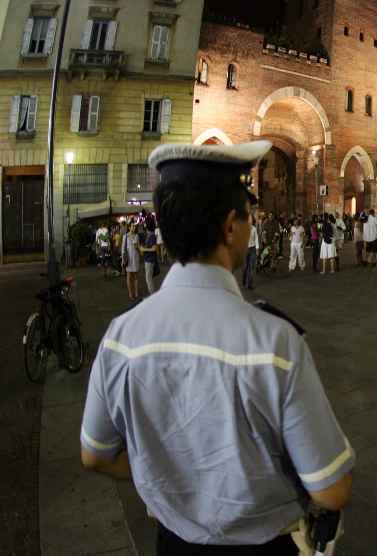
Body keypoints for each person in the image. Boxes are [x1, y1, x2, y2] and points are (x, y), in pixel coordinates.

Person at [80, 140, 353, 555]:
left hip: (170, 543)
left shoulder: (121, 335)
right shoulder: (274, 342)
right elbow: (332, 489)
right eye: (248, 214)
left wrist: (166, 479)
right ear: (230, 227)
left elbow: (95, 455)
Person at [123, 220, 141, 301]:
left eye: (134, 226)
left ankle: (136, 293)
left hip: (136, 257)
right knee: (129, 276)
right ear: (129, 227)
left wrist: (137, 246)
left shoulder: (137, 236)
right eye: (132, 226)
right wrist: (123, 260)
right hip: (129, 258)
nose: (134, 227)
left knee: (136, 276)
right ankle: (130, 294)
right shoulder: (125, 236)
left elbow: (138, 247)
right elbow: (123, 249)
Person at [141, 217, 159, 295]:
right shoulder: (150, 234)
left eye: (145, 222)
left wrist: (144, 249)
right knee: (149, 278)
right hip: (148, 259)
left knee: (149, 279)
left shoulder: (151, 235)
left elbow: (154, 249)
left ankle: (153, 296)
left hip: (149, 260)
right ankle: (153, 295)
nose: (144, 224)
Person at [242, 211, 259, 289]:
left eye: (251, 219)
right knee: (245, 267)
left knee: (251, 267)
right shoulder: (243, 228)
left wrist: (257, 248)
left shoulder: (254, 229)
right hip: (245, 249)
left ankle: (249, 284)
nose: (250, 220)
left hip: (252, 249)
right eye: (249, 219)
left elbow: (256, 239)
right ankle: (244, 279)